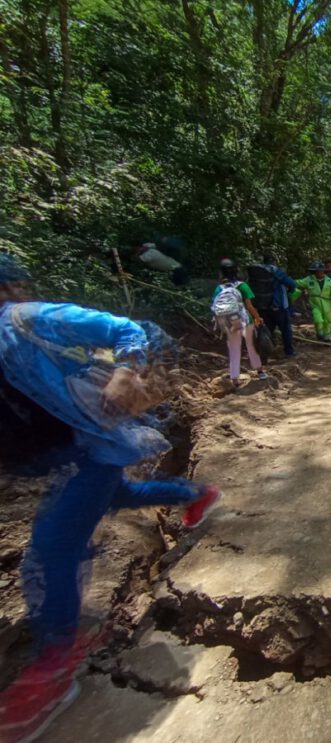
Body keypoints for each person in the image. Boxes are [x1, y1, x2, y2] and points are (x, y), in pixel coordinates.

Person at [0, 254, 221, 741]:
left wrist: (128, 370)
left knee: (52, 548)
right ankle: (195, 490)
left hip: (90, 448)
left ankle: (53, 669)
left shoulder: (27, 317)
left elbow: (122, 328)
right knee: (118, 496)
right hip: (73, 454)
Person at [211, 259, 267, 387]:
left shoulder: (219, 288)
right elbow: (249, 306)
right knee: (252, 346)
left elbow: (214, 305)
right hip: (245, 321)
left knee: (234, 349)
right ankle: (260, 372)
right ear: (236, 271)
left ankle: (235, 379)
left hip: (228, 323)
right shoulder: (242, 286)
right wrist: (257, 317)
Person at [250, 254, 297, 358]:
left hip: (262, 307)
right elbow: (292, 284)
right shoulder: (277, 271)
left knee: (266, 330)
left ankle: (263, 355)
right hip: (278, 307)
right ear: (274, 262)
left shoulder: (257, 272)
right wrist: (290, 290)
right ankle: (289, 352)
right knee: (285, 330)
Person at [293, 262, 331, 342]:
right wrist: (288, 282)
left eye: (319, 271)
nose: (318, 273)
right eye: (316, 271)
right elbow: (298, 282)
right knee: (318, 320)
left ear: (323, 271)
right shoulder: (309, 280)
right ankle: (320, 334)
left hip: (327, 304)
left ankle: (327, 337)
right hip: (315, 304)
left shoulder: (329, 281)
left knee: (327, 321)